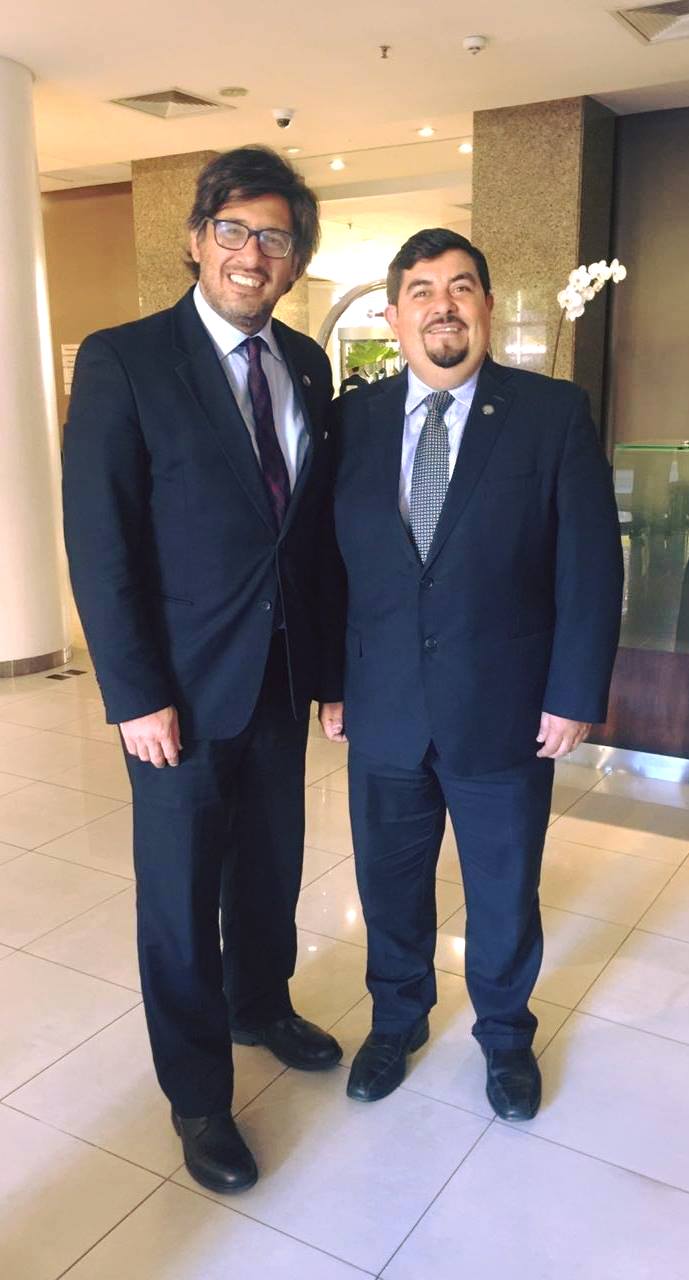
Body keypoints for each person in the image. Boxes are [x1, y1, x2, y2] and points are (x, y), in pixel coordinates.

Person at [63, 146, 342, 1195]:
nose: (251, 254)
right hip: (176, 691)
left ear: (293, 259)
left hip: (279, 674)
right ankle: (196, 1094)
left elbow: (306, 537)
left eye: (274, 237)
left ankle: (258, 1003)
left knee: (271, 862)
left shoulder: (305, 363)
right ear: (196, 240)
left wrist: (328, 667)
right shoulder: (126, 359)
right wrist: (134, 694)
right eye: (233, 230)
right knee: (180, 898)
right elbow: (101, 542)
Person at [320, 228, 622, 1120]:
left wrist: (572, 693)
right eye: (420, 290)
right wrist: (332, 681)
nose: (441, 305)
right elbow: (329, 567)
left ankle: (504, 1035)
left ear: (486, 306)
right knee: (388, 883)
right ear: (393, 315)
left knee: (502, 887)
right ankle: (396, 1019)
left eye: (459, 287)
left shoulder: (549, 412)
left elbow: (588, 568)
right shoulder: (352, 420)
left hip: (505, 708)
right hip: (381, 706)